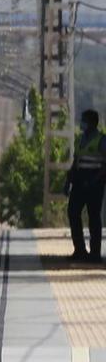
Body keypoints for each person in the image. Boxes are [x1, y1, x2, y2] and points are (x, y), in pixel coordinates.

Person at [64, 109, 106, 262]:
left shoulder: (102, 140)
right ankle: (80, 250)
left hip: (95, 183)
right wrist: (68, 180)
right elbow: (76, 161)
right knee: (73, 212)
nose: (81, 123)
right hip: (80, 180)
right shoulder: (80, 139)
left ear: (92, 123)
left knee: (94, 217)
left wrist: (95, 180)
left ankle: (95, 254)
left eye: (84, 120)